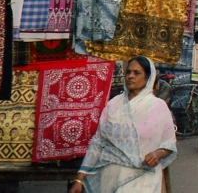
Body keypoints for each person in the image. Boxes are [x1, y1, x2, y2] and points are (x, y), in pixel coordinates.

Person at [72, 56, 177, 193]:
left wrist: (158, 153)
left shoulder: (158, 107)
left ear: (148, 78)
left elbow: (169, 143)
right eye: (128, 72)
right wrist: (79, 179)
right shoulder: (114, 105)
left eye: (136, 73)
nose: (130, 77)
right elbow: (98, 142)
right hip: (111, 177)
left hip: (143, 178)